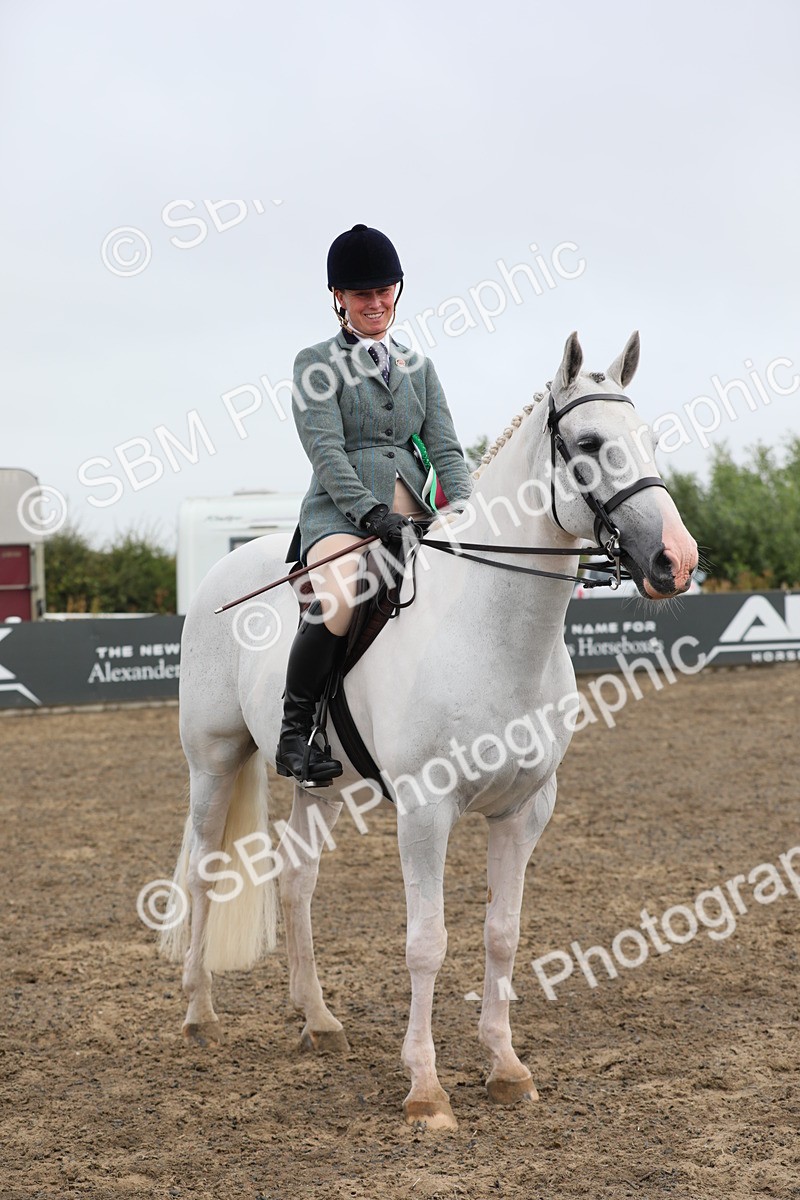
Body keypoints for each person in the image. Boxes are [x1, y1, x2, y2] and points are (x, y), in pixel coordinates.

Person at [275, 223, 474, 786]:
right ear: (338, 298)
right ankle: (296, 734)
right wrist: (369, 514)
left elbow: (446, 448)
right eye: (363, 293)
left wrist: (464, 506)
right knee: (340, 597)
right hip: (343, 518)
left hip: (415, 516)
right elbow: (327, 453)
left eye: (385, 289)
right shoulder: (316, 364)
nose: (376, 302)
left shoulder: (419, 367)